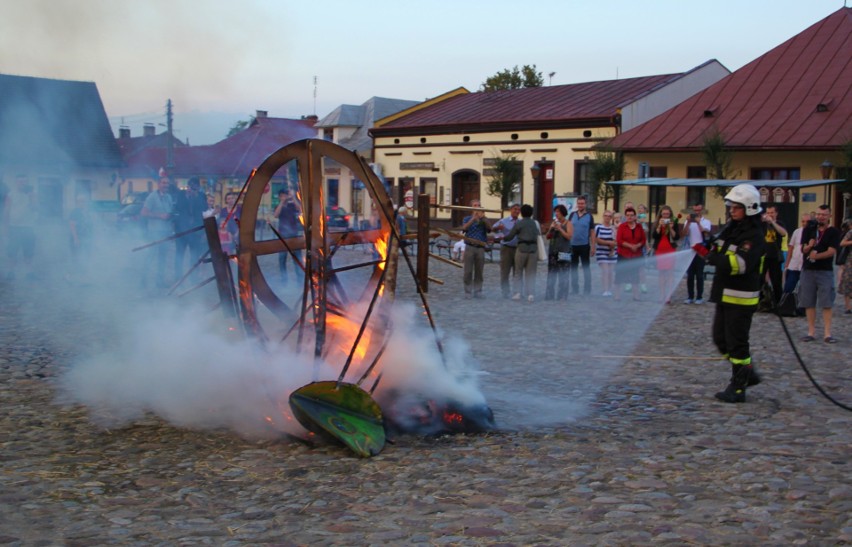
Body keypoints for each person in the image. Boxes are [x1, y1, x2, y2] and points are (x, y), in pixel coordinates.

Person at [702, 184, 766, 403]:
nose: (731, 210)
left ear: (748, 208)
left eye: (736, 207)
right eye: (730, 206)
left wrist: (714, 258)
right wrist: (710, 245)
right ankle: (747, 373)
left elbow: (741, 264)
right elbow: (721, 247)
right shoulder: (732, 228)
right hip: (724, 293)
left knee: (737, 343)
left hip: (741, 297)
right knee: (720, 339)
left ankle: (738, 387)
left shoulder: (754, 234)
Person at [799, 204, 841, 343]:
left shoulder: (833, 232)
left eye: (823, 214)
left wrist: (817, 256)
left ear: (829, 216)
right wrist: (809, 246)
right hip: (808, 270)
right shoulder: (808, 229)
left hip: (825, 271)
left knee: (826, 302)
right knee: (808, 302)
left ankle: (827, 334)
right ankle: (811, 332)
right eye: (818, 214)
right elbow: (803, 249)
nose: (820, 217)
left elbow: (832, 251)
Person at [141, 172, 176, 288]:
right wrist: (159, 215)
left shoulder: (169, 197)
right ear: (158, 184)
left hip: (165, 232)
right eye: (163, 183)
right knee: (150, 256)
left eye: (167, 183)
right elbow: (144, 212)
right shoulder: (152, 197)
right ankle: (143, 281)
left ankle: (159, 281)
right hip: (154, 232)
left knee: (163, 258)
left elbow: (169, 213)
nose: (166, 185)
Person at [173, 177, 209, 280]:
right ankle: (178, 277)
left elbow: (204, 209)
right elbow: (178, 207)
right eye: (190, 187)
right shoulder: (181, 195)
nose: (192, 190)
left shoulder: (201, 196)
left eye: (195, 188)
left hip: (195, 231)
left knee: (194, 256)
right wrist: (188, 196)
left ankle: (193, 277)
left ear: (198, 188)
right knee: (179, 255)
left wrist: (196, 197)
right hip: (181, 231)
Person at [3, 176, 37, 280]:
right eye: (20, 182)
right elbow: (6, 211)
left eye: (24, 182)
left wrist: (31, 197)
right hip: (14, 227)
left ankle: (29, 273)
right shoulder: (11, 194)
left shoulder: (32, 194)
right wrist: (5, 227)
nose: (22, 183)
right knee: (12, 252)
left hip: (28, 227)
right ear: (16, 183)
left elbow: (35, 208)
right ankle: (10, 272)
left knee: (28, 253)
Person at [503, 204, 539, 302]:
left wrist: (501, 238)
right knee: (531, 273)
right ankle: (530, 294)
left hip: (521, 249)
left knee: (518, 272)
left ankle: (517, 293)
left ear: (522, 213)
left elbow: (510, 236)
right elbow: (538, 234)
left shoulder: (519, 223)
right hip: (533, 250)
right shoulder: (535, 223)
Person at [681, 202, 713, 304]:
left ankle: (699, 296)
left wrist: (699, 222)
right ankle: (690, 296)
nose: (697, 212)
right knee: (690, 275)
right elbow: (684, 234)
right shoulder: (689, 222)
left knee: (699, 275)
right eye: (695, 211)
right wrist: (688, 222)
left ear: (702, 210)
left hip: (700, 251)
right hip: (690, 250)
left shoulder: (706, 222)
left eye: (698, 210)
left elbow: (705, 233)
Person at [460, 199, 491, 298]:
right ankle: (467, 291)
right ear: (471, 207)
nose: (477, 207)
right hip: (469, 246)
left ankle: (478, 290)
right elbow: (464, 228)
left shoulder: (484, 219)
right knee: (468, 271)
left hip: (480, 247)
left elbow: (489, 229)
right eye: (475, 205)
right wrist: (473, 219)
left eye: (479, 205)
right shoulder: (467, 218)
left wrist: (484, 219)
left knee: (479, 271)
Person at [614, 207, 646, 301]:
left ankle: (636, 295)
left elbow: (643, 240)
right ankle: (617, 295)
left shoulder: (639, 227)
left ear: (635, 216)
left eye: (631, 215)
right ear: (625, 216)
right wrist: (630, 246)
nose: (630, 217)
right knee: (619, 275)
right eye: (628, 215)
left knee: (635, 275)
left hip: (636, 255)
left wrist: (638, 245)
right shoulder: (622, 227)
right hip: (623, 254)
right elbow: (619, 240)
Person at [782, 214, 811, 316]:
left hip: (806, 264)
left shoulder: (813, 233)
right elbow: (791, 247)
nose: (805, 223)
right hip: (794, 263)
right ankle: (786, 306)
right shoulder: (797, 232)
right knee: (789, 285)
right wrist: (787, 262)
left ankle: (802, 308)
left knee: (804, 288)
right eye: (803, 221)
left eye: (807, 222)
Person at [651, 205, 680, 304]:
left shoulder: (673, 222)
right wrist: (659, 226)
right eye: (664, 214)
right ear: (661, 214)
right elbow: (654, 236)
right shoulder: (657, 223)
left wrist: (671, 228)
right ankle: (662, 294)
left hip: (670, 249)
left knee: (670, 272)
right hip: (660, 250)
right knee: (661, 273)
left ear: (670, 214)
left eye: (667, 214)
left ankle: (669, 295)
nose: (665, 216)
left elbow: (676, 237)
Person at [491, 202, 520, 298]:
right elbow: (493, 229)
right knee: (505, 271)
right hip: (506, 248)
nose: (516, 211)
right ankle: (505, 291)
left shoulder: (520, 222)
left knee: (517, 271)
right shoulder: (504, 221)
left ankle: (517, 291)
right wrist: (497, 228)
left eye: (518, 209)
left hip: (517, 249)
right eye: (515, 209)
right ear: (511, 210)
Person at [544, 204, 573, 300]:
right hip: (553, 251)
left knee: (563, 275)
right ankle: (549, 295)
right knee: (551, 274)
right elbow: (547, 237)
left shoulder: (568, 223)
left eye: (558, 212)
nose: (556, 214)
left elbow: (569, 236)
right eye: (555, 212)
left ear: (563, 213)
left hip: (564, 252)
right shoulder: (554, 222)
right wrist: (551, 228)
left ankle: (562, 296)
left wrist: (560, 229)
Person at [273, 189, 302, 283]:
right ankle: (284, 281)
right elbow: (276, 215)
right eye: (282, 196)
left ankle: (300, 281)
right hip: (282, 236)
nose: (284, 197)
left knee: (298, 260)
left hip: (294, 235)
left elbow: (300, 209)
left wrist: (293, 197)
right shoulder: (278, 206)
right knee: (282, 260)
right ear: (279, 197)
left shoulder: (292, 205)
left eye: (285, 195)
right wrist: (281, 202)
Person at [568, 195, 595, 295]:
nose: (580, 205)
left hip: (584, 245)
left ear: (585, 204)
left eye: (582, 203)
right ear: (577, 204)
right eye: (579, 203)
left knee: (586, 268)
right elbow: (568, 228)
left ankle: (587, 289)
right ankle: (575, 289)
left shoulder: (589, 216)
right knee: (573, 268)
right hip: (572, 246)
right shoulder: (572, 215)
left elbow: (592, 231)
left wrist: (593, 246)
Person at [762, 205, 788, 305]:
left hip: (775, 256)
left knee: (776, 281)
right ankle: (762, 301)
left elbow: (783, 233)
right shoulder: (763, 224)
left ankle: (778, 302)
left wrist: (772, 222)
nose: (770, 215)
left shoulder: (779, 223)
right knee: (760, 278)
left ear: (776, 213)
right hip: (763, 255)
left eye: (772, 213)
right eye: (768, 213)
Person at [594, 210, 618, 297]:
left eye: (609, 216)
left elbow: (616, 240)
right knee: (605, 270)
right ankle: (605, 289)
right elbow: (596, 239)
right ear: (603, 216)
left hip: (612, 252)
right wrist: (608, 243)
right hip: (601, 251)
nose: (607, 217)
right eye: (605, 216)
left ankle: (609, 289)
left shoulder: (613, 228)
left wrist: (613, 245)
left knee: (610, 272)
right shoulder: (598, 227)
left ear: (611, 218)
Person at [838, 219, 852, 315]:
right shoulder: (851, 232)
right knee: (848, 282)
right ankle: (848, 307)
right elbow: (842, 243)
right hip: (850, 260)